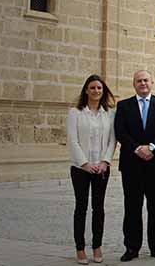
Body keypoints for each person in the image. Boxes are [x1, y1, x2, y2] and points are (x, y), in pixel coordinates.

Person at [114, 70, 155, 262]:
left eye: (146, 80)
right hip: (132, 164)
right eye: (139, 81)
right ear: (134, 84)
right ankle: (131, 247)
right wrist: (137, 148)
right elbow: (120, 132)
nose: (143, 84)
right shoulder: (124, 105)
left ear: (152, 82)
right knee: (132, 207)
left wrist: (153, 147)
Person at [67, 74, 116, 264]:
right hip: (81, 168)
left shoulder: (109, 113)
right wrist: (85, 164)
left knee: (99, 208)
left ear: (103, 91)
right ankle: (80, 248)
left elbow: (113, 140)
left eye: (99, 88)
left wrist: (105, 161)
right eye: (92, 87)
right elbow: (73, 140)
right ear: (86, 90)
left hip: (102, 168)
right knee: (81, 207)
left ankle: (97, 246)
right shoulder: (75, 112)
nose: (96, 91)